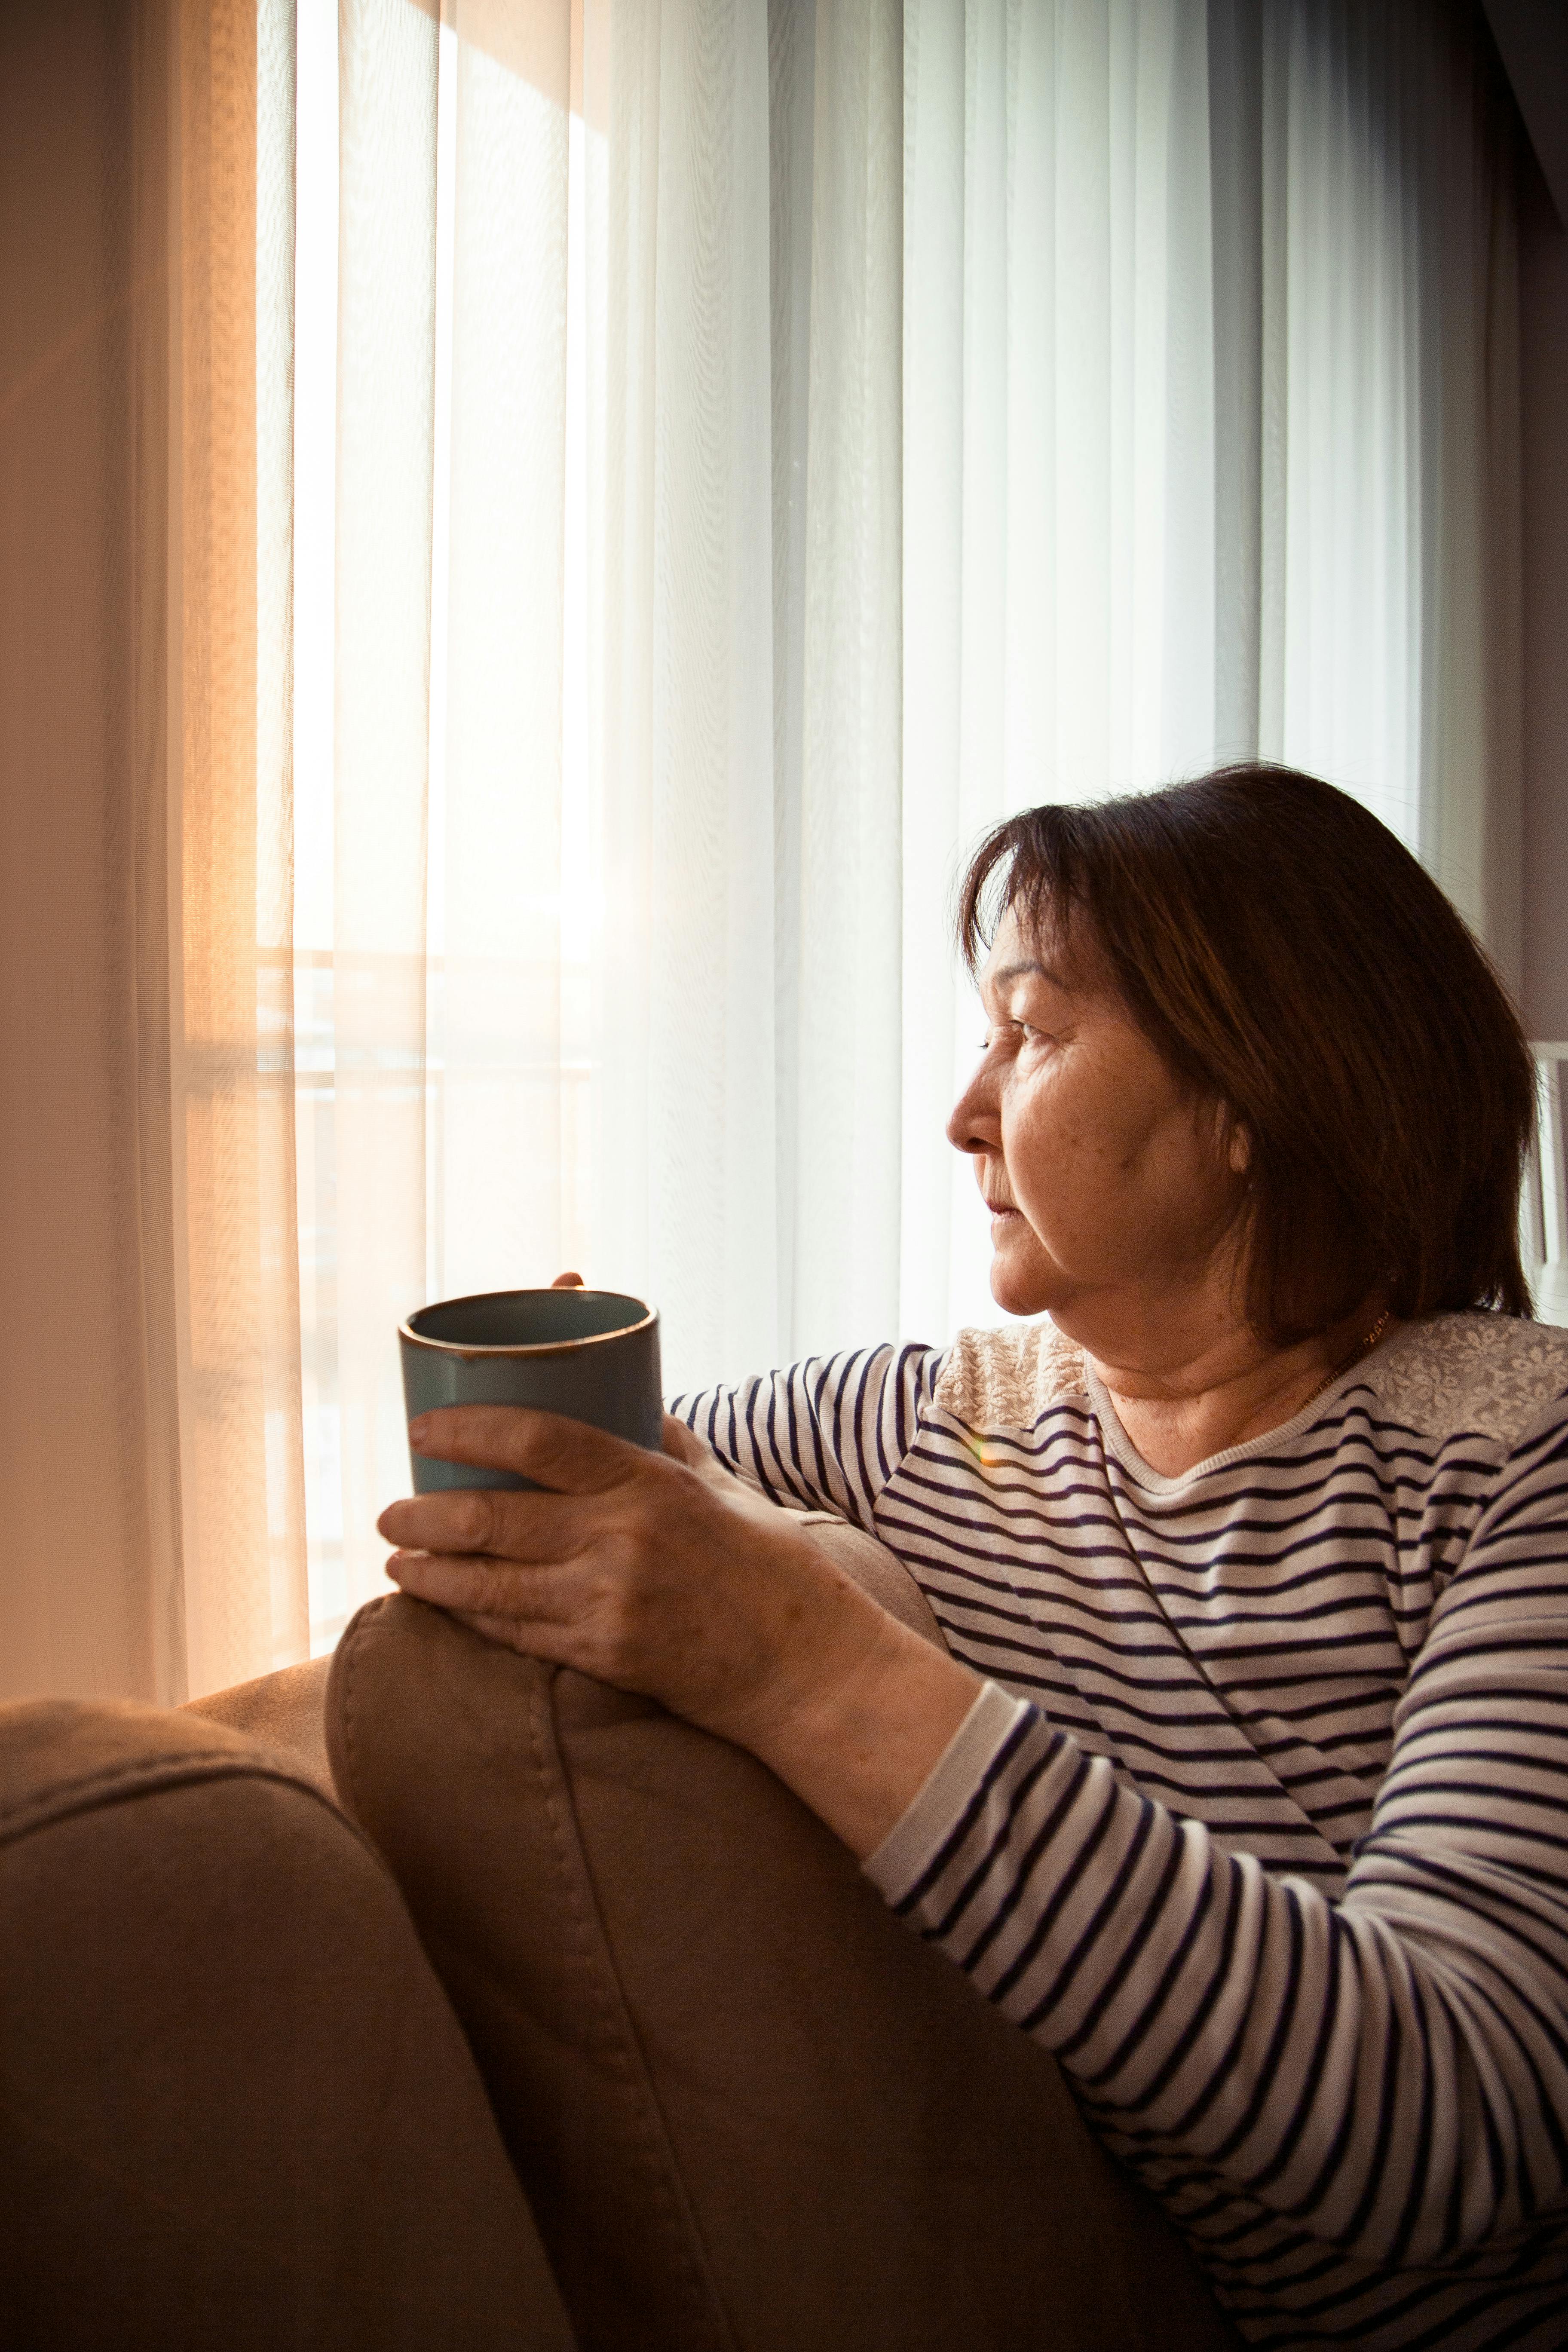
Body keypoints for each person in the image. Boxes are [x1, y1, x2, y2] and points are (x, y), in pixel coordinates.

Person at [378, 764, 1568, 2350]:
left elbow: (1450, 2120)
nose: (965, 1110)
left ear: (1249, 1101)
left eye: (1033, 1033)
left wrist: (807, 1662)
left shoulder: (1520, 1462)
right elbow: (593, 1506)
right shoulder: (905, 1426)